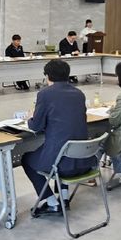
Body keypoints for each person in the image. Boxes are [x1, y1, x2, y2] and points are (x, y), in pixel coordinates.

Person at [23, 59, 93, 216]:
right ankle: (64, 198)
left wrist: (30, 118)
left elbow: (36, 126)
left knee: (27, 159)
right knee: (65, 149)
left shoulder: (45, 94)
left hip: (62, 165)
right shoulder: (79, 94)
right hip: (84, 160)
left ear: (48, 76)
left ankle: (52, 202)